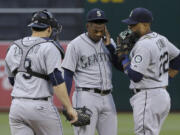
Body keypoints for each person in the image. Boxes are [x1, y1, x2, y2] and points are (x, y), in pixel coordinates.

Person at [5, 9, 77, 135]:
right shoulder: (50, 47)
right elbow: (57, 80)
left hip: (17, 106)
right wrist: (69, 107)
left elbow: (12, 80)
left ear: (33, 27)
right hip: (41, 106)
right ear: (49, 28)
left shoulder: (13, 46)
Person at [116, 7, 180, 135]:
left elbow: (135, 76)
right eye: (129, 24)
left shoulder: (143, 45)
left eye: (133, 25)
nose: (130, 28)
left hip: (148, 97)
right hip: (161, 97)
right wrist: (166, 79)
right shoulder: (160, 39)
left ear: (145, 24)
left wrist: (123, 57)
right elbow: (177, 58)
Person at [61, 8, 117, 135]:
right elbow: (68, 75)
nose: (99, 31)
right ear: (88, 25)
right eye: (95, 27)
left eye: (101, 26)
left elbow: (119, 66)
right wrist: (66, 104)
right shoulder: (75, 45)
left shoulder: (109, 42)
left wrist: (110, 47)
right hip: (86, 97)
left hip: (108, 97)